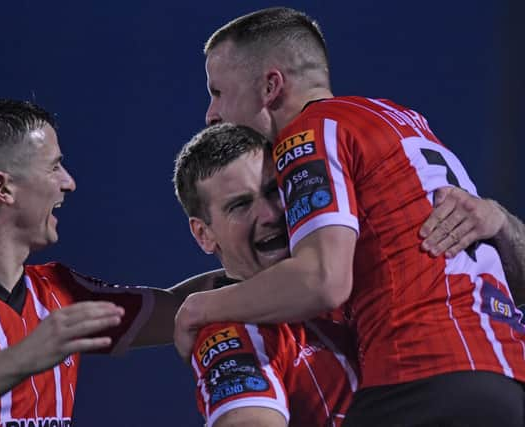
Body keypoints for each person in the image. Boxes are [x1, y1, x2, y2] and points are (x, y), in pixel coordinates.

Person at [174, 7, 525, 426]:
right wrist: (503, 224)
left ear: (270, 86)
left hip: (422, 380)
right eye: (239, 204)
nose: (212, 114)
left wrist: (199, 310)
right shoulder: (403, 121)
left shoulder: (308, 132)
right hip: (507, 377)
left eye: (218, 91)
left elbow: (322, 280)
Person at [0, 98, 191, 427]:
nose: (68, 182)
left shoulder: (62, 291)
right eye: (54, 166)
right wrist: (26, 354)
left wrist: (251, 272)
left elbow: (189, 310)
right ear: (3, 187)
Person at [174, 123, 358, 427]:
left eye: (275, 190)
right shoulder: (230, 331)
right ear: (204, 234)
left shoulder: (351, 265)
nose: (271, 214)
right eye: (240, 205)